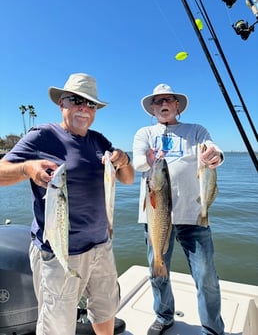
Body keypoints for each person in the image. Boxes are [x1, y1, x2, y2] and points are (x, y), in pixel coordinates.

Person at [0, 73, 134, 335]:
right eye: (76, 100)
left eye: (91, 103)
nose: (84, 108)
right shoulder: (41, 136)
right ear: (61, 103)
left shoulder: (99, 141)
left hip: (101, 247)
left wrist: (124, 161)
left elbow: (127, 180)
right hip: (58, 253)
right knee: (57, 327)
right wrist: (27, 168)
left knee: (105, 310)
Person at [133, 83, 225, 335]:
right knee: (157, 270)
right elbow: (139, 162)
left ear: (177, 105)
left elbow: (213, 149)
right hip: (155, 216)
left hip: (193, 216)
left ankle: (213, 329)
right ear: (152, 108)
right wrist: (149, 160)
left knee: (206, 276)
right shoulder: (144, 133)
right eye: (158, 101)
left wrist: (215, 154)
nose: (163, 104)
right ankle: (164, 316)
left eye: (169, 100)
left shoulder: (196, 130)